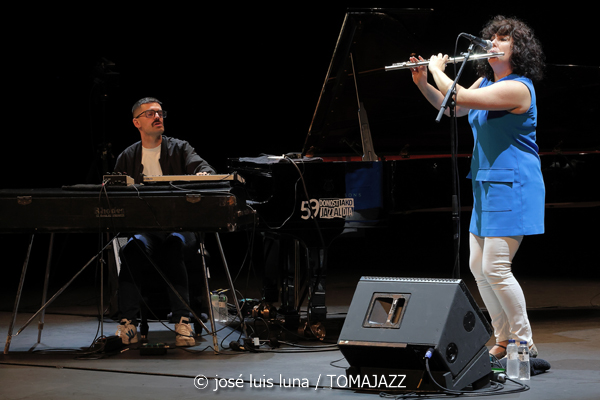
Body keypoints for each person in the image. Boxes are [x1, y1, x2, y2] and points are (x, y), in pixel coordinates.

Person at [409, 16, 545, 359]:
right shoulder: (486, 81)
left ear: (519, 49)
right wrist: (424, 82)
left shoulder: (519, 88)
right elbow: (454, 107)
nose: (493, 43)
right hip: (486, 185)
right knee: (478, 268)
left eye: (503, 39)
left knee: (496, 268)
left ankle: (524, 344)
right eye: (492, 38)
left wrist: (438, 70)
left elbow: (460, 94)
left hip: (513, 185)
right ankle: (503, 339)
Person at [113, 97, 216, 346]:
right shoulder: (127, 156)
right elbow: (115, 193)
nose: (157, 117)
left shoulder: (180, 148)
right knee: (131, 249)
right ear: (137, 122)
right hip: (146, 230)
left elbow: (206, 170)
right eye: (150, 114)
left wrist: (203, 174)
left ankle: (182, 321)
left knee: (173, 245)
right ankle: (128, 323)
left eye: (160, 113)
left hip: (180, 227)